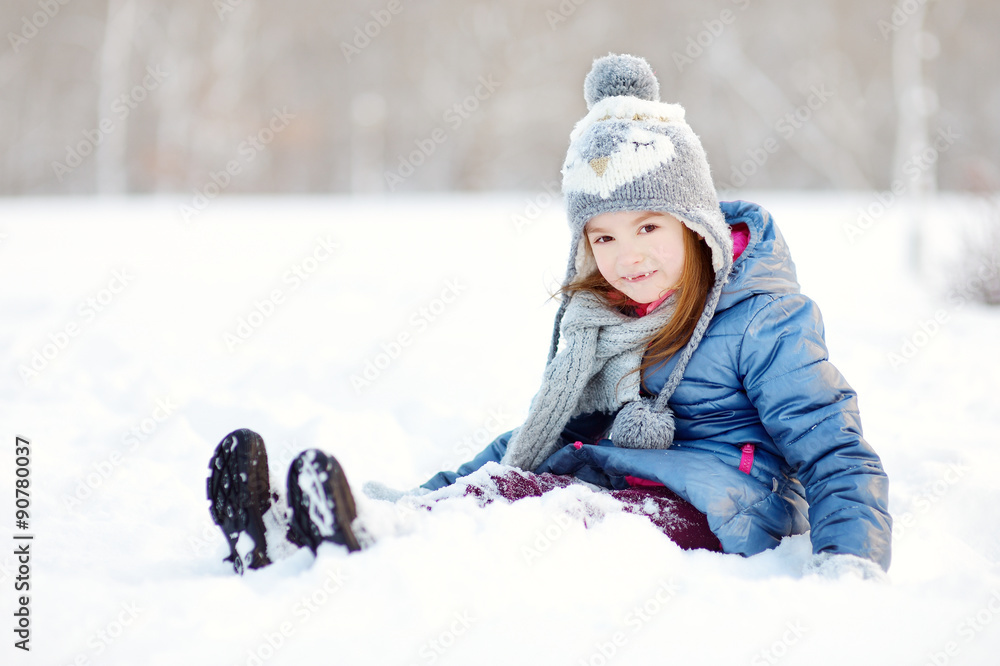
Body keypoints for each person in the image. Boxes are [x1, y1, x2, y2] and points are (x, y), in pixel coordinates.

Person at [206, 53, 891, 579]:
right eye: (604, 237)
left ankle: (375, 546)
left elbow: (832, 443)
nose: (629, 257)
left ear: (694, 224)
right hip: (623, 481)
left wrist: (851, 561)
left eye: (649, 227)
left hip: (731, 506)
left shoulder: (763, 316)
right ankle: (306, 532)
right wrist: (422, 494)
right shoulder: (607, 324)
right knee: (508, 485)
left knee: (558, 512)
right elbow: (530, 442)